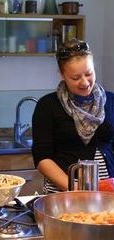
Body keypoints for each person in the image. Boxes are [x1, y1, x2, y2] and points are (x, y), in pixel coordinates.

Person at [32, 38, 114, 194]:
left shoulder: (111, 101)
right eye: (75, 78)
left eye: (89, 74)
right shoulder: (47, 106)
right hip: (63, 195)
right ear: (62, 75)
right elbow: (42, 159)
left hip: (107, 196)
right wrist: (75, 189)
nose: (84, 82)